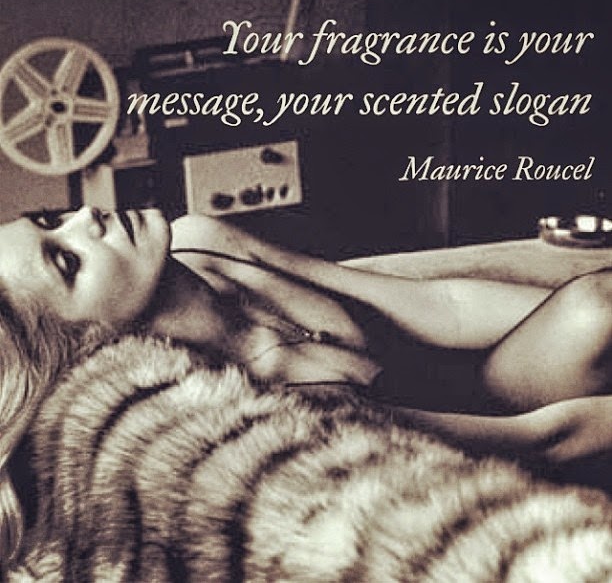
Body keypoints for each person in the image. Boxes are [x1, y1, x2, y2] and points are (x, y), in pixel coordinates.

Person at [0, 205, 611, 564]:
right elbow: (545, 441)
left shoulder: (203, 243)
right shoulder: (262, 408)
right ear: (86, 342)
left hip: (485, 379)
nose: (86, 218)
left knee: (596, 304)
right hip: (502, 459)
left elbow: (439, 306)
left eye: (52, 220)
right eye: (68, 260)